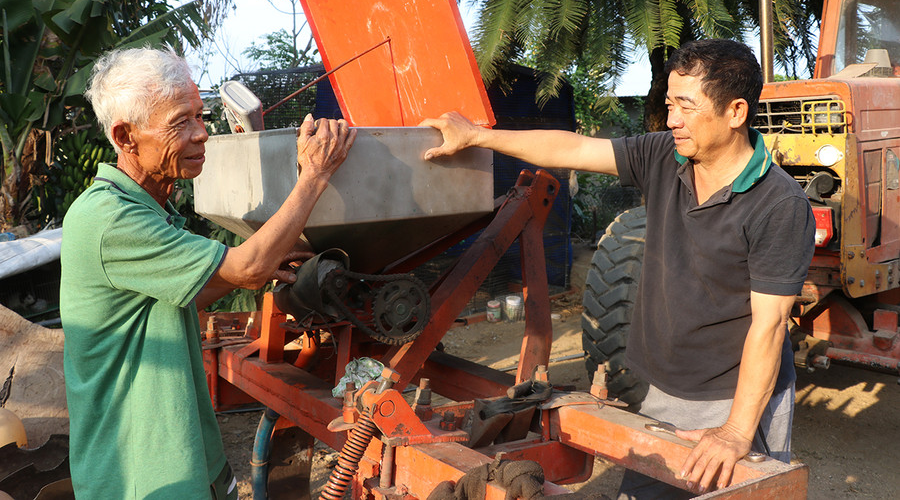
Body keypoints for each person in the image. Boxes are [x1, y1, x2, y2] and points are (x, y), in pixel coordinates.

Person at [420, 39, 815, 497]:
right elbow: (573, 150)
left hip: (730, 398)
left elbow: (768, 328)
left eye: (686, 106)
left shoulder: (778, 204)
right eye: (669, 104)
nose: (672, 120)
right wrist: (476, 135)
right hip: (664, 387)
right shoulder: (663, 156)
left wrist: (735, 432)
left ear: (736, 111)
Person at [60, 46, 355, 499]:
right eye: (181, 121)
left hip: (185, 452)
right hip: (142, 474)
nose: (202, 134)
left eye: (201, 116)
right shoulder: (110, 219)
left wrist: (259, 265)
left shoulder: (147, 207)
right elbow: (247, 266)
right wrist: (314, 174)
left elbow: (180, 299)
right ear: (125, 136)